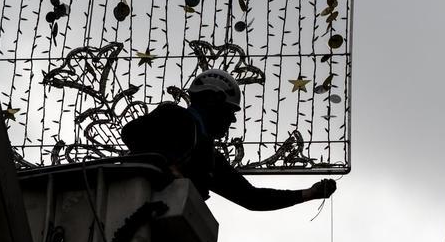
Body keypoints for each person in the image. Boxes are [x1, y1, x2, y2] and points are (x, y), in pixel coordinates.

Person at [120, 69, 336, 210]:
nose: (232, 119)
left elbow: (251, 198)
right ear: (213, 100)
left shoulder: (207, 157)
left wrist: (308, 194)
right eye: (230, 111)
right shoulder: (175, 116)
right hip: (128, 209)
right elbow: (132, 132)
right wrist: (167, 166)